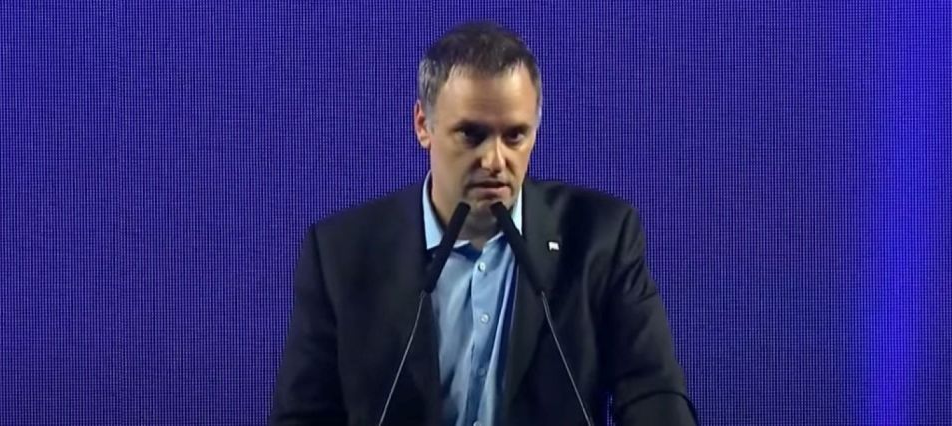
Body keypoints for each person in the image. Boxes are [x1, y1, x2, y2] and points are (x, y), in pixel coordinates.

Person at [271, 21, 695, 426]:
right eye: (472, 135)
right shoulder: (341, 254)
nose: (495, 160)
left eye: (515, 136)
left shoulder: (601, 238)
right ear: (423, 125)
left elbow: (652, 391)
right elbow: (305, 415)